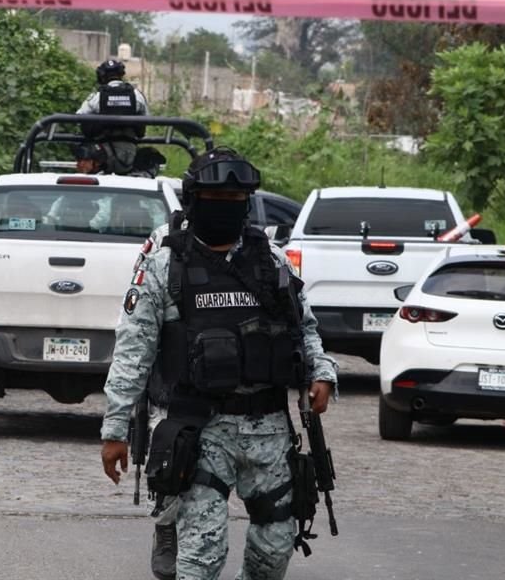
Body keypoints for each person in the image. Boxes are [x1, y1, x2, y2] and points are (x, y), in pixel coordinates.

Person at [100, 148, 339, 580]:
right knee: (203, 555)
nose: (226, 206)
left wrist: (322, 373)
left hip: (268, 429)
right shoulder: (164, 265)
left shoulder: (273, 262)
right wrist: (115, 430)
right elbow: (133, 351)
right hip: (200, 430)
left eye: (236, 198)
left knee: (276, 545)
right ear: (195, 199)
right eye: (216, 196)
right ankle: (169, 527)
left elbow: (304, 328)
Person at [77, 58, 149, 175]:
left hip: (102, 157)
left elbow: (80, 117)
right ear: (121, 75)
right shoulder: (137, 95)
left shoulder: (97, 96)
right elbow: (145, 120)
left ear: (102, 76)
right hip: (130, 154)